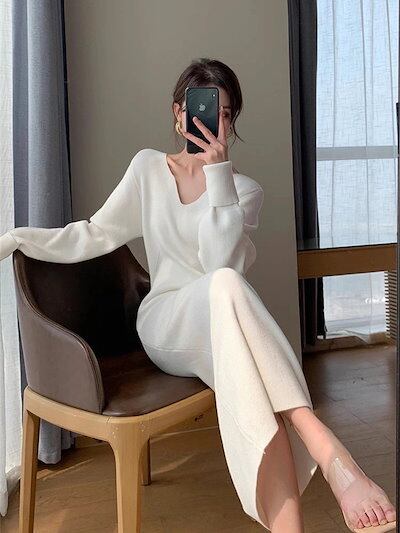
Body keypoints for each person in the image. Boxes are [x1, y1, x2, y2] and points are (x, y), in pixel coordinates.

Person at [0, 58, 396, 533]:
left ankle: (296, 514)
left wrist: (218, 177)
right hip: (165, 323)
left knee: (248, 376)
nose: (216, 123)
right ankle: (329, 450)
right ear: (178, 114)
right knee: (228, 288)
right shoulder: (147, 168)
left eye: (226, 114)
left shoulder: (243, 191)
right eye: (206, 110)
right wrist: (16, 239)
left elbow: (219, 263)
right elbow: (94, 233)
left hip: (220, 325)